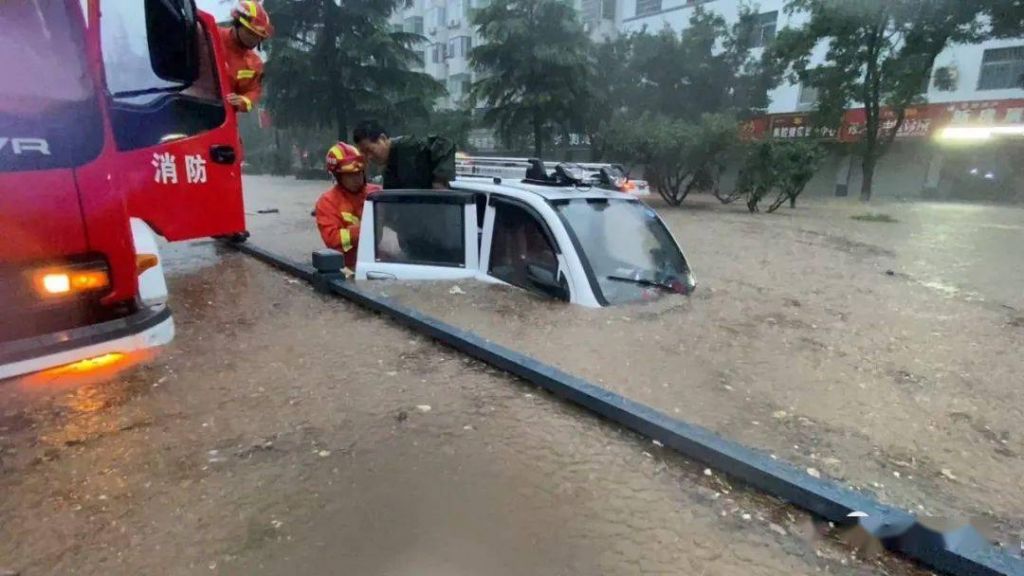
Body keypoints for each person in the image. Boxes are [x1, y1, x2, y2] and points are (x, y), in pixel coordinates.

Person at [314, 142, 381, 270]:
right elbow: (332, 240)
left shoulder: (377, 193)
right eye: (350, 174)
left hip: (377, 261)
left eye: (359, 172)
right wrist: (364, 230)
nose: (357, 178)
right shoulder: (327, 202)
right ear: (338, 176)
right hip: (347, 267)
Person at [352, 120, 456, 190]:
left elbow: (445, 144)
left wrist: (439, 180)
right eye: (364, 153)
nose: (369, 157)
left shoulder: (409, 146)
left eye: (369, 150)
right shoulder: (388, 172)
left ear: (382, 139)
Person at [219, 1, 273, 114]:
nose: (255, 40)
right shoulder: (212, 35)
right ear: (237, 24)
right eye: (251, 33)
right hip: (189, 102)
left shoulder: (255, 64)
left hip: (222, 118)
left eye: (259, 37)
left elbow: (254, 91)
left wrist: (243, 101)